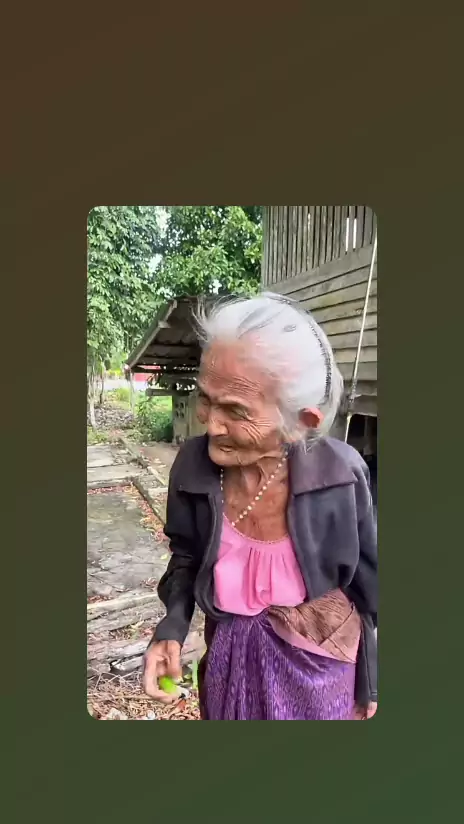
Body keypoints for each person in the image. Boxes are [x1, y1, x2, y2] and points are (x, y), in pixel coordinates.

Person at [142, 293, 378, 720]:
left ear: (299, 424)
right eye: (205, 398)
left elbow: (369, 587)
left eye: (236, 410)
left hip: (320, 670)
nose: (210, 423)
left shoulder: (341, 476)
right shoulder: (193, 467)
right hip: (229, 665)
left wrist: (371, 679)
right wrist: (171, 628)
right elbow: (186, 557)